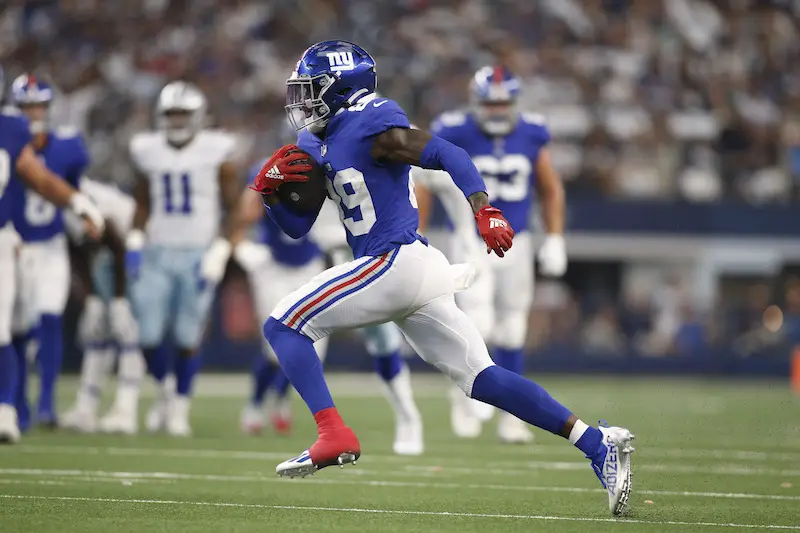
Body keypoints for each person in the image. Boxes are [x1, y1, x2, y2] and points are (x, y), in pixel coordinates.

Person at [249, 41, 634, 516]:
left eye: (312, 91)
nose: (302, 102)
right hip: (411, 271)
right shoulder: (313, 142)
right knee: (483, 378)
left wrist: (483, 209)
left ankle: (333, 433)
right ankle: (597, 444)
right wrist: (273, 196)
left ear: (342, 89)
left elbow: (446, 153)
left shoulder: (372, 122)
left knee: (282, 324)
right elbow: (297, 227)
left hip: (393, 261)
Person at [415, 65, 567, 443]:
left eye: (504, 103)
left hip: (518, 241)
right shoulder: (453, 130)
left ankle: (511, 418)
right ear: (476, 102)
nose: (498, 111)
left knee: (513, 330)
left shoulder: (532, 131)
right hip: (471, 240)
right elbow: (425, 180)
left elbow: (549, 187)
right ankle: (462, 396)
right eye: (490, 103)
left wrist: (555, 237)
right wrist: (416, 232)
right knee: (478, 324)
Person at [232, 157, 423, 455]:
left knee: (386, 341)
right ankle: (270, 407)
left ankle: (407, 416)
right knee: (285, 337)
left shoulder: (370, 155)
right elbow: (252, 208)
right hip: (314, 262)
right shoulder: (298, 165)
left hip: (370, 258)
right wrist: (236, 240)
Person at [125, 81, 239, 436]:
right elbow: (142, 201)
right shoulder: (147, 150)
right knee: (148, 335)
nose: (176, 120)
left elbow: (234, 207)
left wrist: (221, 250)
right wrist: (134, 239)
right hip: (158, 250)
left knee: (189, 336)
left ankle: (179, 409)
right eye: (171, 114)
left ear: (198, 116)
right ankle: (165, 392)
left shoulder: (217, 151)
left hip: (198, 252)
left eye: (182, 114)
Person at [0, 65, 104, 443]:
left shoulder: (66, 145)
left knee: (47, 317)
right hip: (15, 244)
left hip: (49, 244)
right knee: (15, 329)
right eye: (26, 107)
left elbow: (61, 185)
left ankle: (43, 403)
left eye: (39, 106)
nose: (34, 114)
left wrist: (82, 211)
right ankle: (17, 406)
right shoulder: (10, 135)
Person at [61, 178, 144, 434]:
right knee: (97, 333)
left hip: (132, 251)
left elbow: (116, 242)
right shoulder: (59, 200)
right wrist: (91, 298)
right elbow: (78, 250)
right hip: (107, 255)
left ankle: (126, 408)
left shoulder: (86, 199)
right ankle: (86, 406)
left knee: (127, 330)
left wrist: (118, 300)